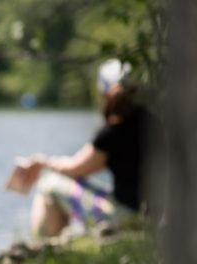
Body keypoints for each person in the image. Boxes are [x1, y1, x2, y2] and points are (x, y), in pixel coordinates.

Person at [16, 60, 152, 238]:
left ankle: (42, 248)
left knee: (48, 185)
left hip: (128, 216)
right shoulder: (154, 123)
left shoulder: (112, 133)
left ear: (104, 93)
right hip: (155, 214)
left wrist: (43, 162)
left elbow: (74, 168)